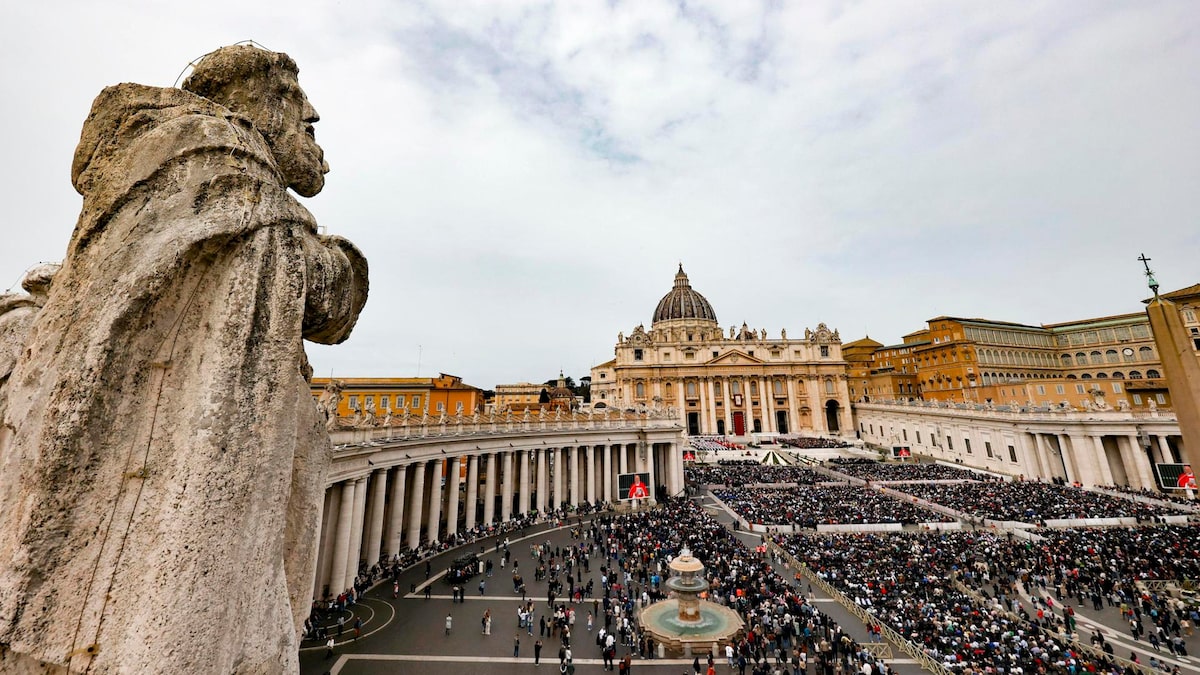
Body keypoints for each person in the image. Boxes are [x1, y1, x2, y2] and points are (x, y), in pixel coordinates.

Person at [0, 44, 368, 674]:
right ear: (267, 107)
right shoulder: (244, 189)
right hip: (187, 514)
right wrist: (338, 250)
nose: (314, 121)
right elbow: (332, 301)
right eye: (306, 119)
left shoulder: (150, 181)